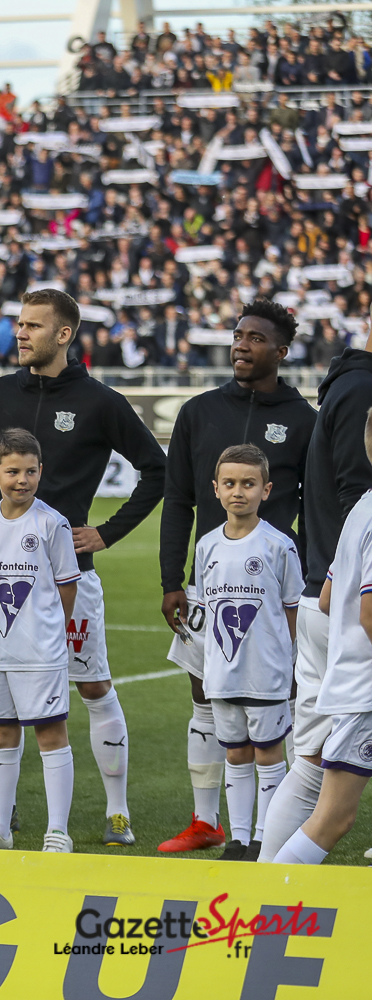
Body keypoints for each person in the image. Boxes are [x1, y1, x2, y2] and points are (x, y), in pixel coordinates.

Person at [0, 288, 166, 848]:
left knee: (93, 685)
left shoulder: (100, 401)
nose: (20, 333)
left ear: (64, 334)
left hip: (70, 577)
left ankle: (117, 812)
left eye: (33, 325)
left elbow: (157, 469)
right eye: (20, 324)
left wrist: (106, 532)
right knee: (4, 706)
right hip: (7, 577)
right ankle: (1, 818)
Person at [156, 300, 313, 853]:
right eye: (238, 335)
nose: (242, 345)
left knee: (275, 712)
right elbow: (177, 499)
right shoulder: (198, 411)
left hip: (273, 592)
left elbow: (314, 509)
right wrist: (171, 581)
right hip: (209, 586)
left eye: (256, 338)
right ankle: (208, 822)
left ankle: (272, 831)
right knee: (207, 699)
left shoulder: (303, 419)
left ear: (281, 351)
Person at [258, 337, 372, 861]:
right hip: (355, 644)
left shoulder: (346, 386)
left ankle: (262, 880)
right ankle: (265, 893)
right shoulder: (362, 388)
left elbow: (329, 593)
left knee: (310, 765)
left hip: (329, 608)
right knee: (331, 809)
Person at [0, 429, 80, 852]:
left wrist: (50, 631)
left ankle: (58, 831)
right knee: (0, 734)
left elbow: (67, 586)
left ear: (41, 471)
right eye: (12, 472)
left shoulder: (51, 523)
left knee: (51, 734)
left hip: (40, 652)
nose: (22, 480)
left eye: (30, 471)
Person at [193, 444, 299, 862]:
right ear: (216, 488)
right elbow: (207, 610)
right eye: (230, 483)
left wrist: (287, 660)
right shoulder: (206, 546)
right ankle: (238, 840)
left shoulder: (279, 545)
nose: (239, 491)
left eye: (249, 484)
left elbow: (292, 610)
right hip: (222, 674)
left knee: (268, 753)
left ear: (266, 490)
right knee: (235, 752)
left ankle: (265, 838)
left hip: (265, 672)